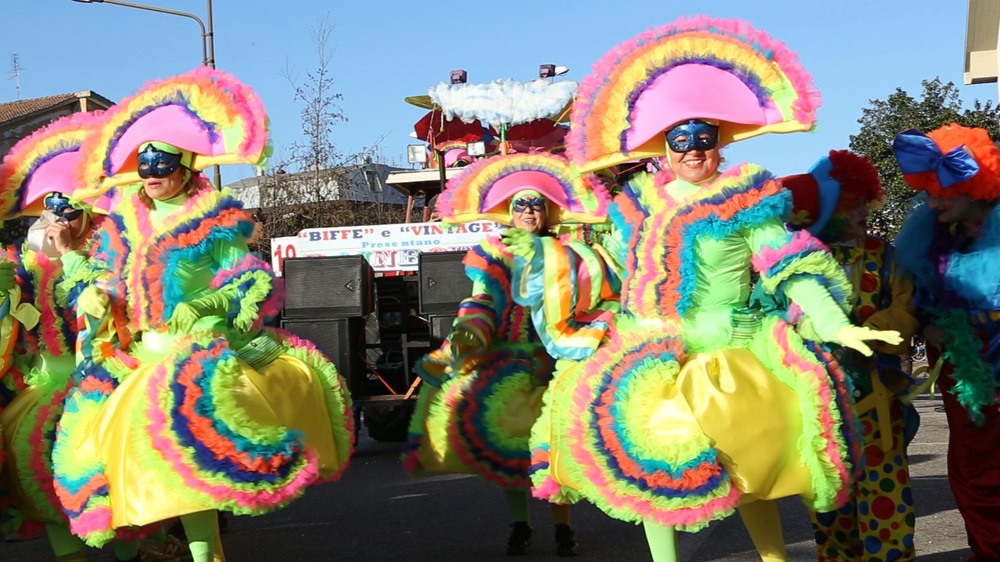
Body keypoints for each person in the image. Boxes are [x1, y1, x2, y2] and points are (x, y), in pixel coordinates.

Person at [527, 17, 902, 562]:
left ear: (720, 142)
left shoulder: (746, 200)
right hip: (647, 353)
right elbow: (609, 267)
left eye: (704, 139)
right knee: (654, 475)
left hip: (725, 353)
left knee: (747, 468)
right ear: (662, 146)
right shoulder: (633, 206)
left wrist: (833, 320)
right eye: (681, 141)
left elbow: (791, 264)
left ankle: (775, 559)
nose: (693, 150)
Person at [50, 67, 355, 562]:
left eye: (162, 167)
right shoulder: (123, 222)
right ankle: (157, 542)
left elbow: (248, 280)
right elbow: (108, 276)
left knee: (194, 471)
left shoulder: (212, 217)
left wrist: (203, 304)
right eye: (144, 169)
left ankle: (205, 555)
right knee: (111, 453)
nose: (151, 177)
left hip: (194, 354)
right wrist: (93, 291)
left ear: (185, 167)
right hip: (141, 355)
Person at [402, 152, 618, 556]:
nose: (529, 211)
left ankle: (562, 527)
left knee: (554, 449)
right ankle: (520, 524)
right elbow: (481, 303)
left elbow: (599, 296)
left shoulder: (570, 251)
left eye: (537, 203)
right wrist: (462, 342)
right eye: (520, 203)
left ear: (549, 210)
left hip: (561, 363)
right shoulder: (495, 254)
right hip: (509, 364)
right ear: (508, 211)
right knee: (511, 451)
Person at [769, 151, 920, 561]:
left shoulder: (885, 256)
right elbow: (775, 316)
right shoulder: (801, 262)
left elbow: (907, 307)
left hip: (877, 400)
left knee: (885, 501)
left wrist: (871, 333)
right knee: (829, 499)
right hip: (820, 403)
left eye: (863, 202)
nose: (862, 213)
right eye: (851, 205)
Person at [892, 124, 1000, 562]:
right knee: (974, 470)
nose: (933, 201)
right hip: (960, 369)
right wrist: (926, 327)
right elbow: (918, 298)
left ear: (974, 187)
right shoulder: (931, 236)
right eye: (928, 191)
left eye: (944, 192)